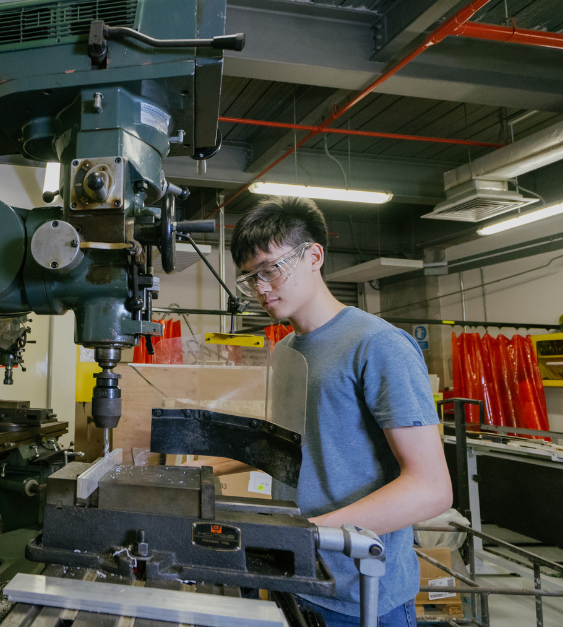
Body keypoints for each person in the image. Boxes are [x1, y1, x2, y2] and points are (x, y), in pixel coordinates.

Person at [192, 196, 452, 626]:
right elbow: (288, 449)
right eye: (250, 278)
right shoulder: (285, 352)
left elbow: (431, 488)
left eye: (270, 269)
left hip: (361, 596)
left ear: (313, 256)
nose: (260, 288)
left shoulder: (378, 345)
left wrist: (309, 534)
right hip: (296, 579)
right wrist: (199, 469)